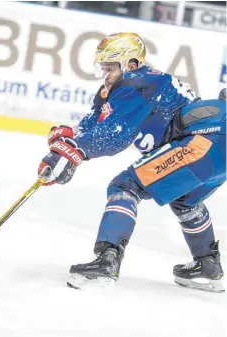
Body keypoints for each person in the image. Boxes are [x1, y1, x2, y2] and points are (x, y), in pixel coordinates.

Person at [37, 32, 226, 292]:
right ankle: (207, 266)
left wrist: (75, 151)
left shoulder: (138, 83)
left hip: (205, 142)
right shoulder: (132, 85)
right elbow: (95, 124)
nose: (105, 74)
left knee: (124, 186)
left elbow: (116, 135)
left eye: (111, 67)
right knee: (185, 199)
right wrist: (70, 139)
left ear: (132, 64)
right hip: (215, 146)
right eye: (102, 68)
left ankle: (107, 262)